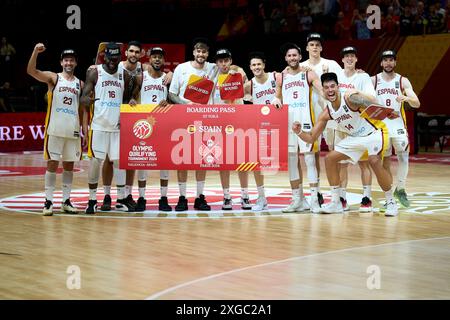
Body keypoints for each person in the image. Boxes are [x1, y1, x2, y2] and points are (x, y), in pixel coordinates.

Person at [294, 72, 399, 216]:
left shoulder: (349, 98)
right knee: (330, 158)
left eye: (333, 86)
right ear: (323, 91)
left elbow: (367, 102)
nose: (330, 90)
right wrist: (299, 132)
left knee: (374, 161)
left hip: (374, 132)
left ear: (338, 87)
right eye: (326, 88)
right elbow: (311, 137)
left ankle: (391, 202)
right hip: (354, 137)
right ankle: (336, 202)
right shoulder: (327, 113)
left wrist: (385, 112)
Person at [80, 42, 137, 214]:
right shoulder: (94, 72)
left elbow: (127, 99)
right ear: (104, 57)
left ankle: (120, 200)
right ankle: (91, 200)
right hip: (98, 126)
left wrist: (132, 101)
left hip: (117, 127)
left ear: (120, 57)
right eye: (109, 58)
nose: (112, 61)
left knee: (119, 162)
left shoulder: (124, 75)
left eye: (115, 58)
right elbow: (83, 98)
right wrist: (86, 100)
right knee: (95, 162)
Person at [27, 43, 82, 216]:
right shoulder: (54, 78)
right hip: (55, 129)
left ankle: (66, 201)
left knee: (69, 166)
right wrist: (35, 51)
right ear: (61, 63)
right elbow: (31, 71)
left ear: (75, 63)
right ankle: (48, 201)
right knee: (52, 164)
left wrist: (84, 130)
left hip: (72, 130)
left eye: (71, 60)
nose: (69, 63)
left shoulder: (80, 84)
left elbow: (82, 109)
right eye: (66, 60)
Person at [271, 42, 323, 214]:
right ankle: (297, 200)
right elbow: (277, 98)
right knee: (293, 161)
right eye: (289, 55)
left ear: (300, 57)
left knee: (309, 160)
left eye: (295, 55)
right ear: (285, 58)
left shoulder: (309, 74)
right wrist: (276, 101)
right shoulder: (281, 77)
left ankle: (314, 200)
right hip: (288, 123)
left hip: (306, 121)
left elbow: (322, 91)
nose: (292, 58)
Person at [168, 38, 218, 211]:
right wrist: (185, 105)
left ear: (208, 54)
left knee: (202, 159)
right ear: (194, 52)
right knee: (183, 159)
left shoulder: (213, 68)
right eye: (198, 51)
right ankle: (182, 197)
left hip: (206, 119)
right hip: (184, 119)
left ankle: (199, 197)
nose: (201, 54)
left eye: (204, 51)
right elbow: (172, 94)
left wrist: (239, 71)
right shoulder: (181, 68)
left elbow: (231, 68)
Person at [372, 50, 420, 209]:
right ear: (381, 63)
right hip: (381, 127)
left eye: (391, 60)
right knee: (385, 162)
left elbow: (416, 103)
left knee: (403, 158)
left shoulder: (402, 81)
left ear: (395, 62)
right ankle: (389, 195)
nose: (388, 63)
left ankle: (401, 188)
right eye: (385, 60)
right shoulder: (374, 81)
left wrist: (406, 98)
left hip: (398, 126)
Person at [300, 33, 343, 205]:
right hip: (310, 115)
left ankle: (338, 194)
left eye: (318, 44)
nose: (315, 47)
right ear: (307, 48)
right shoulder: (301, 66)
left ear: (322, 48)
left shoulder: (331, 64)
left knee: (335, 153)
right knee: (311, 155)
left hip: (331, 115)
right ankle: (315, 193)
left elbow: (344, 82)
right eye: (312, 44)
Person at [130, 46, 172, 212]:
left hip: (163, 124)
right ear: (149, 59)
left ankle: (163, 198)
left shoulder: (168, 79)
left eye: (160, 57)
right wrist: (133, 101)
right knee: (143, 162)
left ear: (163, 60)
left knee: (164, 163)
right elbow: (132, 96)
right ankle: (141, 198)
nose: (157, 59)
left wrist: (168, 103)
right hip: (145, 125)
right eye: (154, 56)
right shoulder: (141, 77)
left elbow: (173, 99)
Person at [336, 46, 377, 212]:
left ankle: (367, 198)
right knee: (342, 164)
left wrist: (356, 92)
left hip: (360, 126)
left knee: (364, 163)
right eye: (346, 56)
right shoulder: (336, 75)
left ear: (356, 59)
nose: (349, 59)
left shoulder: (363, 77)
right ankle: (342, 198)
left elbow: (372, 98)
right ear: (342, 60)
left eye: (352, 56)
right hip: (341, 124)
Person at [211, 48, 252, 210]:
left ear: (230, 61)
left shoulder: (238, 73)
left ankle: (245, 195)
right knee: (223, 163)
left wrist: (239, 74)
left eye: (226, 60)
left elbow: (248, 86)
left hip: (238, 123)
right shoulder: (212, 78)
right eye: (220, 61)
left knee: (242, 161)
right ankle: (227, 196)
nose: (223, 64)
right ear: (216, 63)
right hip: (219, 125)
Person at [243, 51, 277, 211]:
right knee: (258, 163)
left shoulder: (275, 77)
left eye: (259, 64)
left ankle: (299, 197)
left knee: (291, 160)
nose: (256, 67)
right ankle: (261, 198)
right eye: (253, 65)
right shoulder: (249, 85)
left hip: (280, 122)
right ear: (250, 67)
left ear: (264, 65)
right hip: (262, 126)